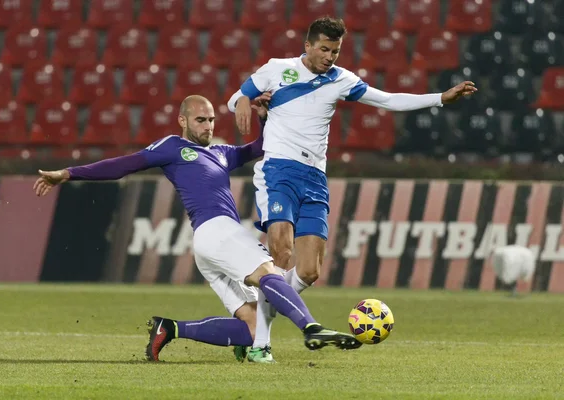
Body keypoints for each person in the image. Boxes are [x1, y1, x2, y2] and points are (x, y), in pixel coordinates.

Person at [33, 94, 360, 364]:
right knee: (269, 274)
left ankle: (170, 329)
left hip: (212, 244)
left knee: (250, 327)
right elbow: (123, 165)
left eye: (211, 120)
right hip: (216, 230)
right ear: (184, 121)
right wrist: (68, 173)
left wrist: (263, 116)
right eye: (200, 119)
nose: (207, 125)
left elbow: (259, 147)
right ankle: (311, 327)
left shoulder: (220, 153)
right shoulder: (172, 147)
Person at [227, 16, 478, 357]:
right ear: (308, 46)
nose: (330, 57)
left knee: (309, 271)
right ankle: (261, 344)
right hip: (279, 169)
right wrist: (244, 100)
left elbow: (388, 100)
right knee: (281, 252)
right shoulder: (277, 69)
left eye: (336, 51)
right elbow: (235, 100)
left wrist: (440, 99)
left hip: (315, 177)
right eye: (325, 49)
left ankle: (258, 308)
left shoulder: (341, 79)